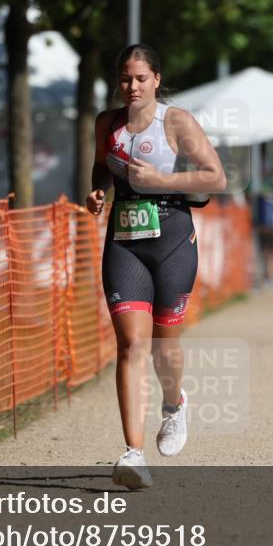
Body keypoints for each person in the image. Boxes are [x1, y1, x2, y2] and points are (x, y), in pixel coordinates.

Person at [86, 44, 226, 489]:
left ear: (157, 80)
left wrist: (161, 181)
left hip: (171, 239)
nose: (132, 86)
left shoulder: (177, 122)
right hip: (124, 239)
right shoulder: (105, 124)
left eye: (141, 78)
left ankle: (174, 403)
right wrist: (97, 191)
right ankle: (133, 453)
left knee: (165, 345)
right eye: (126, 78)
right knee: (130, 344)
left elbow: (215, 177)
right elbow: (100, 167)